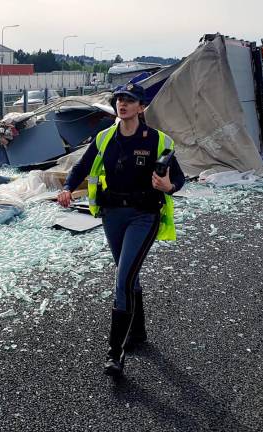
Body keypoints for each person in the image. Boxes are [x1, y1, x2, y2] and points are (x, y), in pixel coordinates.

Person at [57, 83, 185, 377]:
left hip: (144, 216)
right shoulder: (104, 138)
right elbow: (82, 167)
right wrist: (66, 188)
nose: (122, 104)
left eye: (129, 100)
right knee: (129, 275)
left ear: (141, 107)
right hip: (112, 215)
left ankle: (115, 354)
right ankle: (138, 331)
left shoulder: (157, 140)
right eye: (119, 99)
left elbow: (178, 177)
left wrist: (170, 186)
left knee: (122, 278)